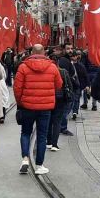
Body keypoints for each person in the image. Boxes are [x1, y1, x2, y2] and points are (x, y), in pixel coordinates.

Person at [14, 44, 62, 175]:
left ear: (32, 52)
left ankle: (25, 158)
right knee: (41, 136)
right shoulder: (52, 67)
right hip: (45, 108)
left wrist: (20, 102)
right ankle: (39, 165)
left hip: (28, 106)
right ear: (44, 53)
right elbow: (59, 85)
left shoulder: (23, 67)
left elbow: (17, 88)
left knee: (25, 133)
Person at [70, 51, 89, 120]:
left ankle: (74, 111)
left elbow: (85, 75)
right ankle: (73, 111)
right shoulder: (70, 65)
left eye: (74, 56)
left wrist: (87, 85)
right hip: (73, 85)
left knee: (76, 98)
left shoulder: (80, 65)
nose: (73, 57)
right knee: (74, 99)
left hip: (77, 84)